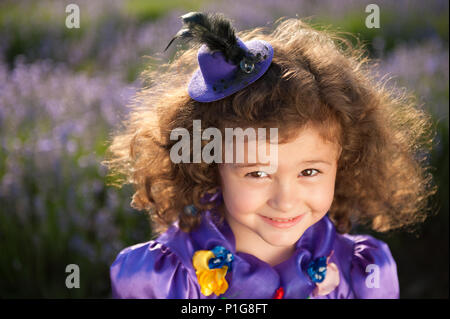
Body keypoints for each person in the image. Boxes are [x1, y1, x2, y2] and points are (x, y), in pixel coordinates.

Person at [103, 12, 436, 298]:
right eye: (257, 174)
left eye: (309, 172)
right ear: (209, 165)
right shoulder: (168, 278)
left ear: (344, 160)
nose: (285, 200)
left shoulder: (361, 273)